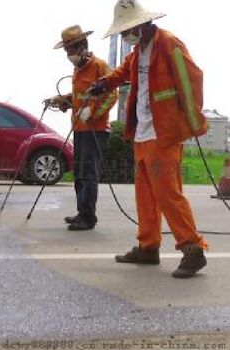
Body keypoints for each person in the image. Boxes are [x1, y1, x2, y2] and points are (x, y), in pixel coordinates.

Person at [88, 0, 209, 278]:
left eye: (126, 30)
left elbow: (193, 80)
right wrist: (104, 83)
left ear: (141, 24)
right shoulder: (137, 51)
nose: (123, 35)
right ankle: (148, 246)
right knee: (145, 195)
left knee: (168, 194)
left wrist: (193, 122)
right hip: (142, 134)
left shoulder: (168, 44)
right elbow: (122, 72)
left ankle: (193, 249)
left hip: (164, 134)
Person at [48, 25, 118, 231]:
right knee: (79, 172)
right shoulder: (77, 70)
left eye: (70, 51)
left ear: (82, 47)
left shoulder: (100, 66)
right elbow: (80, 98)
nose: (68, 55)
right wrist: (62, 101)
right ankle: (82, 212)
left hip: (95, 130)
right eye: (66, 51)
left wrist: (93, 114)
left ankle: (88, 217)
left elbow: (112, 95)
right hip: (79, 128)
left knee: (88, 173)